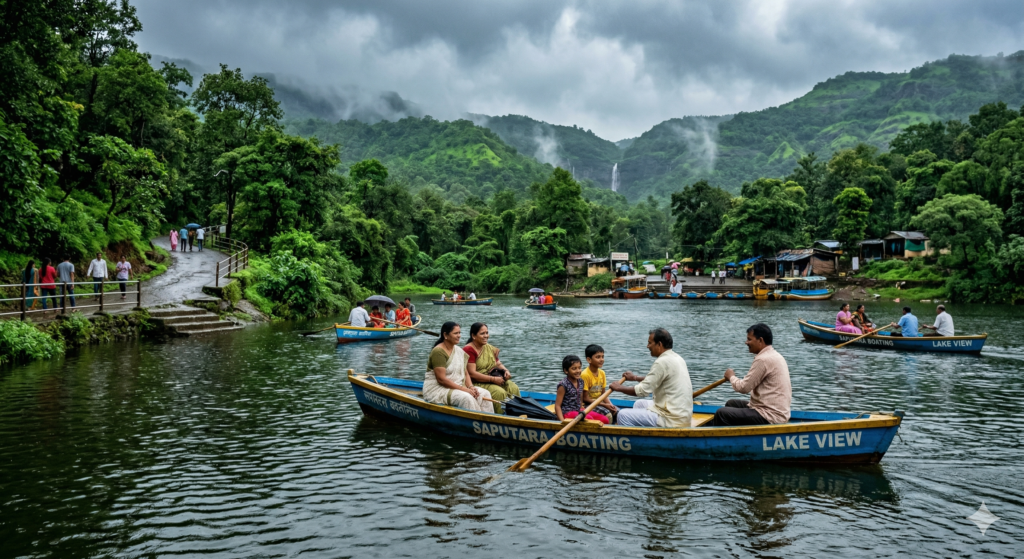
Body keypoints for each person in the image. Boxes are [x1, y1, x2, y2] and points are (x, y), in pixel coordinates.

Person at [712, 323, 791, 426]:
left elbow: (744, 387)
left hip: (770, 416)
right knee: (731, 404)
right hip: (775, 411)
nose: (746, 342)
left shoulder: (763, 360)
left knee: (721, 413)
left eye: (749, 339)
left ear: (760, 340)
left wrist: (731, 377)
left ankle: (719, 441)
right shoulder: (775, 355)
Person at [610, 328, 692, 427]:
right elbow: (655, 380)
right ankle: (645, 432)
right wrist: (635, 378)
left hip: (670, 418)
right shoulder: (677, 358)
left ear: (659, 344)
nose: (647, 346)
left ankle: (640, 440)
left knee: (623, 415)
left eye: (650, 343)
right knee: (639, 404)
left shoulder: (662, 362)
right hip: (680, 414)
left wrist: (618, 388)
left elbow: (642, 391)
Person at [423, 322, 491, 413]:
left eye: (459, 333)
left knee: (485, 394)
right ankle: (473, 422)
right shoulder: (438, 352)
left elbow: (465, 371)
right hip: (438, 389)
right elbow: (441, 380)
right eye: (456, 333)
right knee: (466, 398)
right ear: (445, 335)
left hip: (457, 386)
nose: (459, 335)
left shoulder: (458, 350)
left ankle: (488, 421)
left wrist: (471, 387)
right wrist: (465, 390)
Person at [464, 322, 520, 412]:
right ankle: (499, 417)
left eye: (487, 333)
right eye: (482, 333)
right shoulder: (469, 349)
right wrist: (493, 380)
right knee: (499, 393)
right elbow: (472, 374)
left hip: (493, 378)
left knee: (513, 388)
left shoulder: (489, 348)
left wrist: (506, 371)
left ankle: (516, 413)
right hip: (478, 382)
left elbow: (498, 363)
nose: (486, 336)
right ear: (473, 336)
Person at [555, 355, 610, 424]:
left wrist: (582, 409)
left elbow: (580, 399)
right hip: (567, 412)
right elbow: (557, 405)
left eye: (579, 368)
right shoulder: (563, 385)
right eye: (574, 368)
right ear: (566, 371)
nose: (578, 371)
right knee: (589, 419)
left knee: (604, 419)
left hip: (579, 410)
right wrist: (562, 421)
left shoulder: (580, 381)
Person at [582, 344, 618, 422]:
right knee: (608, 415)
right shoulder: (585, 375)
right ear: (589, 360)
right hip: (588, 404)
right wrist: (604, 405)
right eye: (598, 357)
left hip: (599, 402)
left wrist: (611, 405)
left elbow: (603, 394)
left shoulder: (602, 373)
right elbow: (585, 398)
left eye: (602, 357)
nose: (601, 359)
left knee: (617, 412)